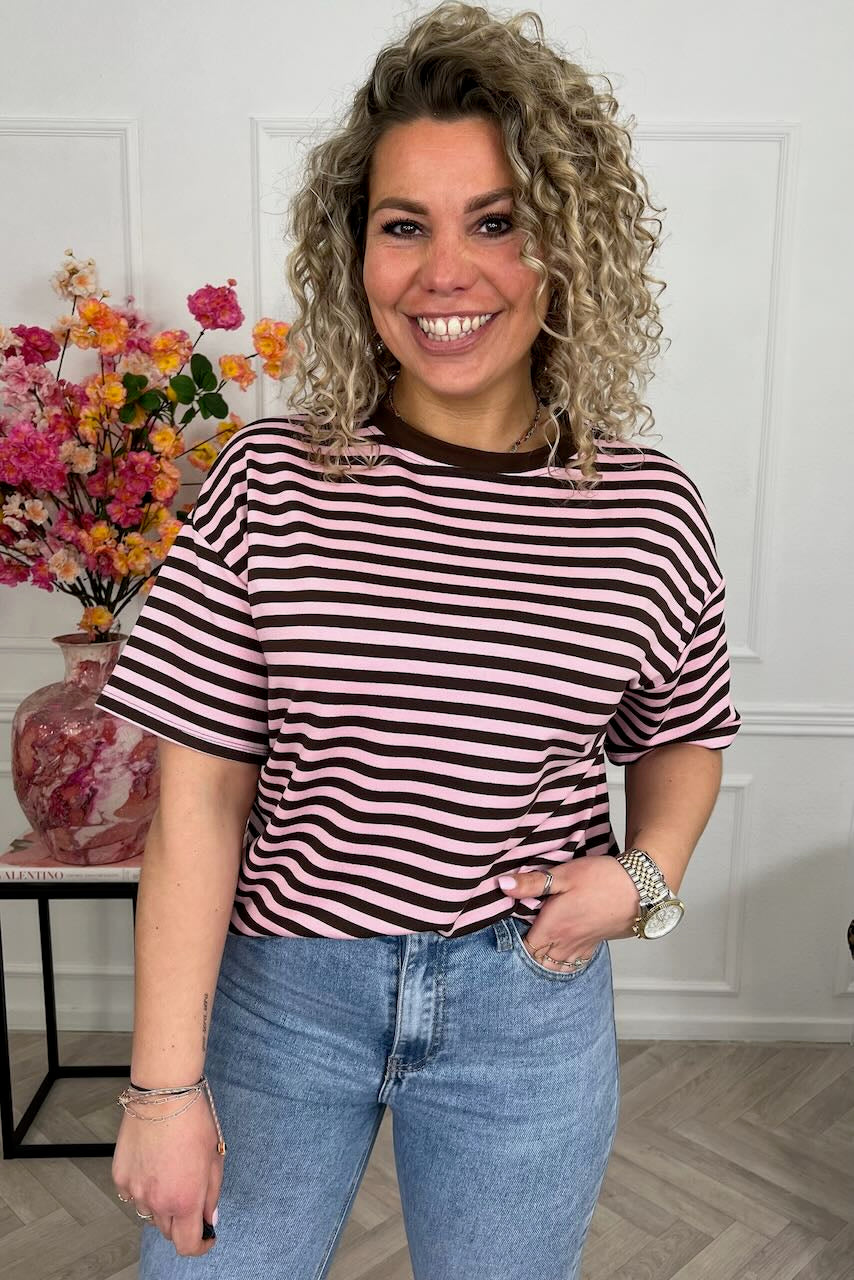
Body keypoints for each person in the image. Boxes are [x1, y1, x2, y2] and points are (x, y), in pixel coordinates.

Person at [97, 3, 742, 1276]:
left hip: (524, 1003)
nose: (445, 272)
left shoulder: (644, 507)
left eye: (494, 221)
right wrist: (161, 1090)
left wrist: (644, 875)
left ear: (566, 247)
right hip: (284, 995)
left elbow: (680, 736)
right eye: (404, 225)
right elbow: (198, 802)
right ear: (356, 253)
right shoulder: (269, 480)